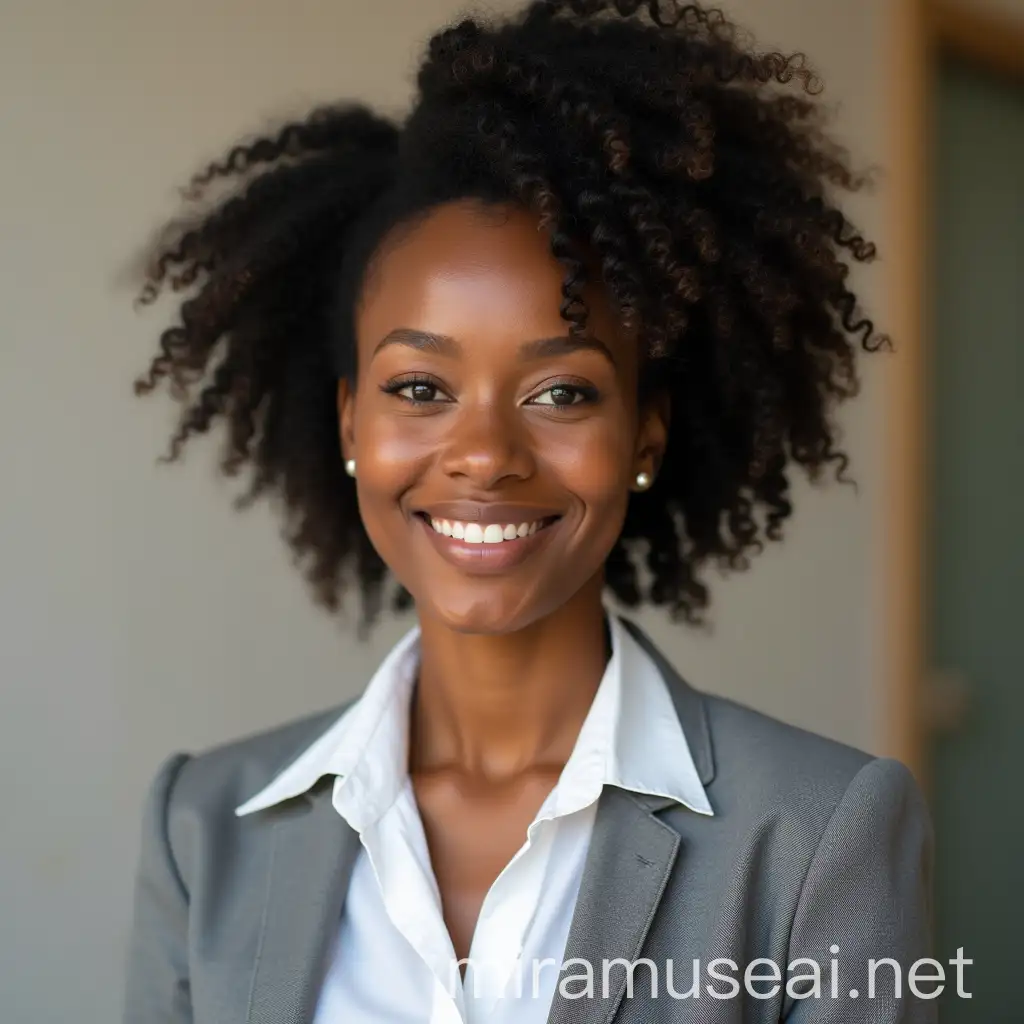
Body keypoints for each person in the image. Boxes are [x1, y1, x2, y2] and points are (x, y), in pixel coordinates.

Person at [121, 2, 936, 1021]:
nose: (484, 456)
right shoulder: (202, 825)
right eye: (419, 388)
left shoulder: (818, 833)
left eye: (562, 392)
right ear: (347, 422)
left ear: (644, 434)